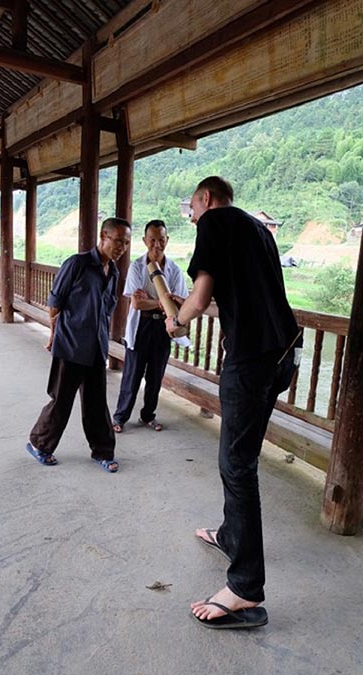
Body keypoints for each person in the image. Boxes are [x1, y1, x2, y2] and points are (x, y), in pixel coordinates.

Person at [166, 176, 302, 629]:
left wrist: (176, 322)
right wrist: (189, 310)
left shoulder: (216, 222)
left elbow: (201, 297)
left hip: (252, 359)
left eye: (192, 210)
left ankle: (245, 589)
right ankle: (231, 535)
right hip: (284, 354)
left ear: (205, 199)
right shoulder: (258, 229)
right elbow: (224, 302)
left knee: (237, 465)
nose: (192, 219)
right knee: (239, 460)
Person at [26, 217, 131, 472]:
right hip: (71, 345)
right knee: (61, 400)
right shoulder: (78, 263)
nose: (122, 247)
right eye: (118, 240)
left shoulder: (114, 271)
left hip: (96, 347)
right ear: (103, 236)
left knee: (96, 402)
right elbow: (55, 303)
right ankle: (39, 444)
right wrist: (53, 336)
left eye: (126, 242)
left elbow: (107, 310)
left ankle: (103, 452)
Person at [112, 220, 188, 433]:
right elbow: (136, 303)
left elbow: (181, 303)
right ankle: (120, 416)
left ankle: (148, 416)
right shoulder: (137, 266)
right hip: (140, 327)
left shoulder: (174, 270)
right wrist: (165, 302)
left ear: (167, 240)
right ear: (145, 241)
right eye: (152, 240)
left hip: (163, 328)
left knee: (156, 376)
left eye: (161, 240)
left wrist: (155, 301)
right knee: (132, 375)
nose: (157, 244)